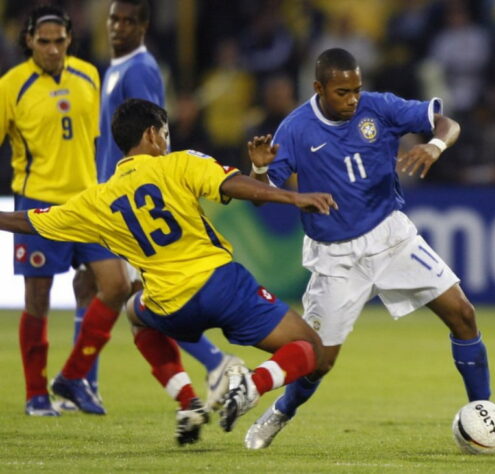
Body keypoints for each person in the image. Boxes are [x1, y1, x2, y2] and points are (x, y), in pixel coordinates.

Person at [245, 48, 495, 453]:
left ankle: (488, 418)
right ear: (318, 88)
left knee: (463, 313)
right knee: (320, 360)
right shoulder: (294, 129)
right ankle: (279, 413)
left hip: (391, 236)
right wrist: (259, 170)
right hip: (336, 256)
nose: (352, 99)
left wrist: (435, 145)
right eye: (342, 92)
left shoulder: (378, 107)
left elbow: (447, 124)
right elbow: (262, 196)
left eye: (356, 90)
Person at [0, 97, 338, 444]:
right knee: (310, 349)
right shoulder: (179, 163)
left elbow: (31, 221)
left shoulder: (97, 200)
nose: (167, 141)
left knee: (134, 313)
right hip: (221, 287)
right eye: (164, 133)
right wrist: (292, 197)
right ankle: (254, 384)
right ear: (151, 135)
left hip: (169, 305)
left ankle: (187, 401)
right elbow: (234, 186)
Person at [69, 0, 242, 410]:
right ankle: (81, 383)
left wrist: (159, 192)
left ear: (144, 27)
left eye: (128, 21)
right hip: (110, 197)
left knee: (136, 293)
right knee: (91, 285)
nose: (118, 27)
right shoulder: (114, 69)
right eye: (113, 19)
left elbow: (154, 134)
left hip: (129, 203)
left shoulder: (141, 69)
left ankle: (216, 364)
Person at [0, 4, 130, 417]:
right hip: (36, 202)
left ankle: (74, 379)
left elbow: (98, 141)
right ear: (29, 42)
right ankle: (36, 394)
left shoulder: (89, 76)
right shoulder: (11, 86)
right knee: (37, 298)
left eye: (59, 41)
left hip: (87, 202)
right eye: (44, 42)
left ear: (70, 39)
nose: (53, 50)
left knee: (114, 286)